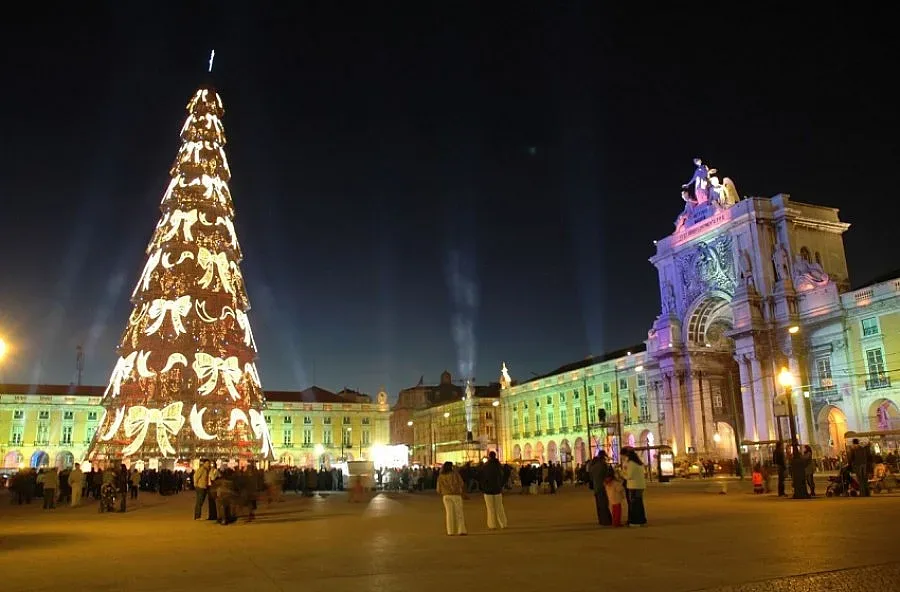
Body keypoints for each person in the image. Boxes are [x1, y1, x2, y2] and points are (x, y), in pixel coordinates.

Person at [436, 461, 467, 536]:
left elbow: (438, 489)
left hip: (446, 495)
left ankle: (450, 531)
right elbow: (461, 483)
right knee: (459, 513)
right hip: (456, 495)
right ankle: (461, 530)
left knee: (449, 513)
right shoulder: (455, 474)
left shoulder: (441, 476)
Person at [480, 451, 508, 530]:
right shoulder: (498, 466)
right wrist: (501, 484)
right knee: (499, 507)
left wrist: (483, 487)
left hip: (488, 490)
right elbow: (505, 474)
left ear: (489, 456)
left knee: (490, 508)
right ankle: (503, 524)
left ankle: (492, 525)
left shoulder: (485, 466)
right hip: (497, 489)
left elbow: (481, 477)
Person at [623, 448, 647, 526]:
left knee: (635, 504)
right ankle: (641, 520)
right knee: (639, 503)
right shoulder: (638, 463)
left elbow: (629, 476)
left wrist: (621, 474)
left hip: (634, 486)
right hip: (640, 486)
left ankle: (636, 521)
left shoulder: (631, 463)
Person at [588, 451, 613, 526]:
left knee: (599, 505)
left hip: (596, 487)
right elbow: (607, 475)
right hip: (602, 486)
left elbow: (591, 477)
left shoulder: (593, 466)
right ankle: (606, 520)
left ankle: (601, 520)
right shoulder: (602, 465)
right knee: (604, 504)